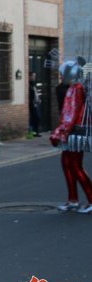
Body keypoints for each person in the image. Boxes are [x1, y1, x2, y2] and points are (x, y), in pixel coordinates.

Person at [49, 58, 92, 213]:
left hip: (75, 131)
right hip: (70, 131)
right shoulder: (72, 88)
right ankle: (72, 199)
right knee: (66, 163)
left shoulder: (78, 89)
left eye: (62, 74)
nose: (61, 78)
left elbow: (71, 113)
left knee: (75, 165)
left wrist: (62, 131)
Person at [28, 72, 42, 137]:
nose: (34, 77)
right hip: (32, 104)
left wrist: (38, 100)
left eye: (34, 76)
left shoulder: (33, 84)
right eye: (33, 76)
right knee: (35, 117)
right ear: (29, 76)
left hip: (36, 103)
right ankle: (34, 132)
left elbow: (36, 93)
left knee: (37, 117)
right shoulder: (29, 85)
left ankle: (36, 132)